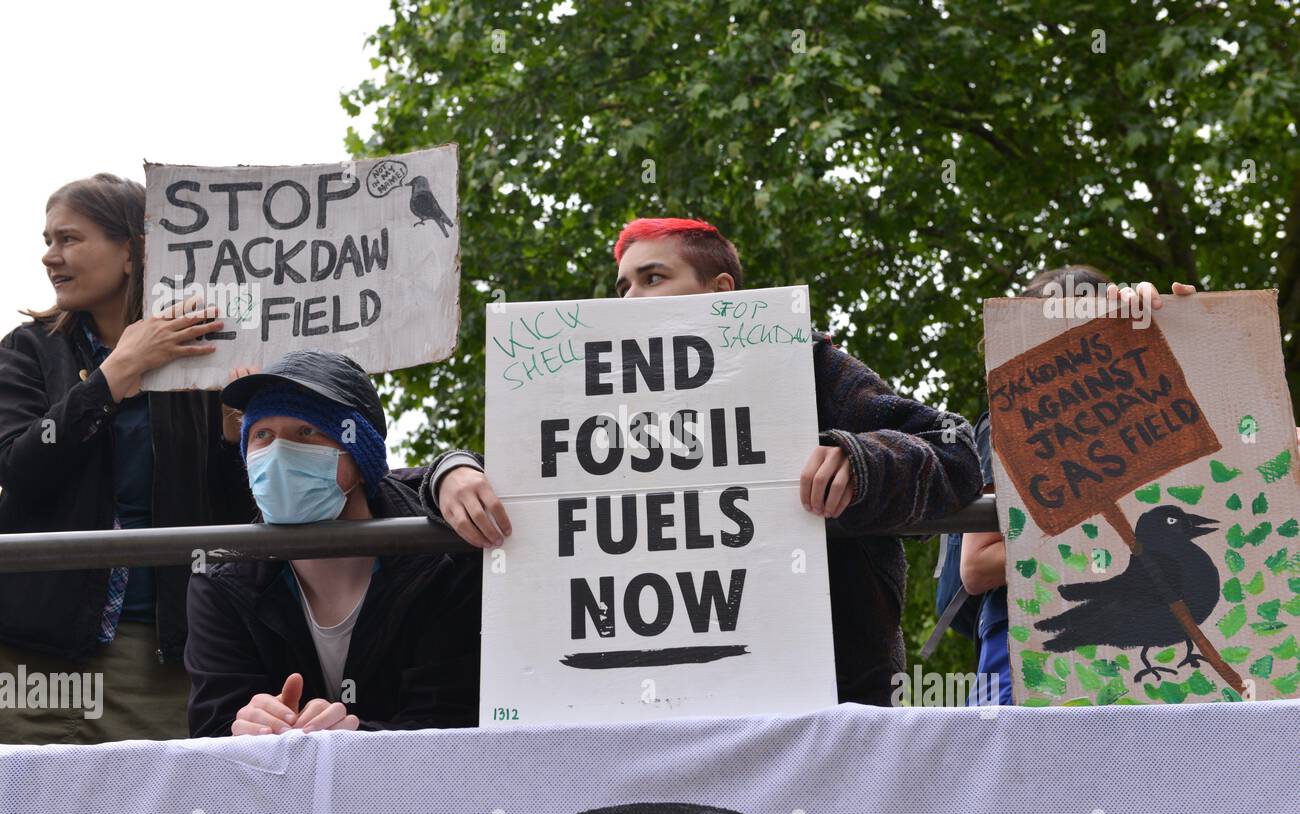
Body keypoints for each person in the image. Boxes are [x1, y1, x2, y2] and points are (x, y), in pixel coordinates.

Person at [422, 217, 986, 706]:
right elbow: (498, 480)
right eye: (622, 287)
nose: (630, 300)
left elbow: (954, 446)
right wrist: (452, 473)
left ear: (720, 291)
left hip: (828, 707)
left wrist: (862, 460)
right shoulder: (581, 394)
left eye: (653, 278)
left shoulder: (803, 366)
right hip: (629, 719)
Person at [0, 173, 255, 745]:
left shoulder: (207, 359)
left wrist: (234, 441)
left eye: (68, 239)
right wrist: (114, 377)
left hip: (161, 654)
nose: (49, 256)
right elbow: (19, 468)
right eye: (47, 239)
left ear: (131, 251)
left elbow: (239, 514)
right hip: (30, 654)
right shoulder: (28, 350)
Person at [184, 350, 481, 737]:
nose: (278, 454)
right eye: (262, 436)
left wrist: (352, 742)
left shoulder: (441, 556)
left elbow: (450, 724)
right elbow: (212, 733)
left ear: (360, 460)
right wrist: (242, 733)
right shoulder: (218, 580)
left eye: (307, 432)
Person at [956, 266, 1200, 705]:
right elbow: (976, 568)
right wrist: (1096, 540)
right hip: (1027, 649)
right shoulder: (1011, 423)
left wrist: (1190, 326)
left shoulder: (1158, 420)